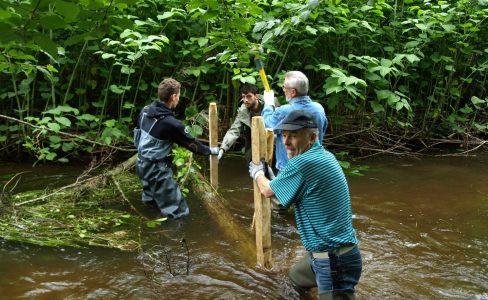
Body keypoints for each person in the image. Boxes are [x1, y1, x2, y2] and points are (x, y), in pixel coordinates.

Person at [248, 110, 362, 299]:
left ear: (312, 137)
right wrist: (274, 179)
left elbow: (268, 191)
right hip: (328, 254)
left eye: (293, 135)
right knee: (293, 280)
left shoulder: (302, 163)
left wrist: (258, 173)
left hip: (333, 259)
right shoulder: (324, 156)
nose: (285, 142)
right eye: (283, 135)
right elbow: (292, 190)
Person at [134, 78, 219, 219]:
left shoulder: (145, 111)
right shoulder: (171, 123)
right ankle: (175, 239)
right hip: (156, 170)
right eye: (178, 96)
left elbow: (137, 132)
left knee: (151, 201)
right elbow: (191, 144)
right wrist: (210, 151)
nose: (178, 99)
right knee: (178, 212)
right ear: (173, 97)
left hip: (141, 164)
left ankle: (151, 230)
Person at [262, 71, 327, 172]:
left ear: (292, 92)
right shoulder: (319, 109)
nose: (283, 90)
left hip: (289, 169)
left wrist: (268, 103)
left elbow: (266, 125)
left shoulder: (285, 111)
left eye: (284, 88)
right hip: (315, 167)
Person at [218, 84, 279, 164]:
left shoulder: (270, 105)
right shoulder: (243, 111)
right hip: (253, 143)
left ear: (256, 96)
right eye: (243, 97)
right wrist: (222, 149)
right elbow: (234, 131)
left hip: (271, 142)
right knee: (253, 167)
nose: (245, 100)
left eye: (249, 96)